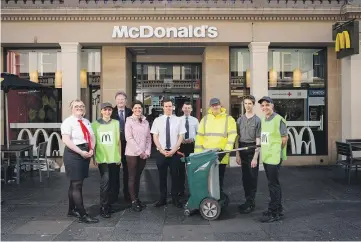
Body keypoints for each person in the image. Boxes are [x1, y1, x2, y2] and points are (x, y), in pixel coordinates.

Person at [61, 99, 98, 224]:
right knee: (77, 185)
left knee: (74, 183)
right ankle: (83, 214)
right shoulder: (68, 122)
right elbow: (66, 140)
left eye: (82, 106)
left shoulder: (86, 121)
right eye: (76, 106)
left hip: (85, 152)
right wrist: (80, 152)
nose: (79, 108)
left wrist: (92, 148)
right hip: (73, 154)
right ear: (71, 108)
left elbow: (92, 137)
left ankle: (71, 210)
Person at [195, 98, 237, 196]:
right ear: (210, 107)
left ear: (220, 105)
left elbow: (232, 135)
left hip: (221, 154)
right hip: (206, 155)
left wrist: (227, 149)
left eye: (217, 105)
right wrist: (198, 154)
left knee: (219, 178)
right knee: (207, 178)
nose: (215, 107)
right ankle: (209, 197)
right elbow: (199, 137)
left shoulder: (228, 119)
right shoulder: (205, 119)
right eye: (213, 105)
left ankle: (217, 198)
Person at [151, 98, 186, 208]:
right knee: (162, 177)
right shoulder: (158, 120)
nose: (168, 108)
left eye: (170, 106)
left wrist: (174, 150)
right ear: (163, 107)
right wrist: (161, 150)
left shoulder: (179, 120)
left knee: (175, 177)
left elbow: (181, 136)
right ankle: (162, 199)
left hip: (174, 153)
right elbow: (155, 136)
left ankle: (175, 199)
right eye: (166, 106)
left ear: (173, 107)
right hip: (161, 153)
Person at [258, 96, 288, 223]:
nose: (265, 107)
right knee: (272, 184)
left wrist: (276, 150)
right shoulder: (264, 119)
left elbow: (284, 138)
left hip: (274, 157)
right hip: (267, 156)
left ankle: (274, 212)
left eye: (267, 105)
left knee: (274, 185)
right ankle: (277, 209)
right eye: (262, 106)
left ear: (272, 106)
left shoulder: (278, 119)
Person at [91, 102, 122, 218]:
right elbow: (93, 143)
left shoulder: (116, 123)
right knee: (105, 181)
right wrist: (94, 157)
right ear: (101, 111)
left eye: (109, 110)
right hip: (102, 157)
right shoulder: (94, 125)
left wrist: (119, 156)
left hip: (114, 157)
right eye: (105, 110)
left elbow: (118, 141)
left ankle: (110, 204)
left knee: (113, 182)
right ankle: (103, 206)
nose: (107, 112)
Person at [235, 95, 261, 214]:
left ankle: (251, 202)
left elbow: (258, 139)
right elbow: (237, 138)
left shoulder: (257, 120)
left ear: (253, 104)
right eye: (245, 103)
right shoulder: (240, 120)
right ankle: (247, 201)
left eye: (250, 103)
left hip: (252, 149)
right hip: (242, 149)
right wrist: (237, 154)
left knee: (252, 177)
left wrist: (255, 157)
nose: (247, 106)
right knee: (245, 177)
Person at [125, 100, 152, 212]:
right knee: (132, 177)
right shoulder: (129, 121)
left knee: (138, 177)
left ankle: (137, 198)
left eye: (139, 108)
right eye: (135, 108)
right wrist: (139, 151)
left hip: (143, 154)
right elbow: (129, 138)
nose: (137, 110)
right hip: (132, 153)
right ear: (132, 109)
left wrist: (147, 151)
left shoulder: (145, 122)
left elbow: (148, 138)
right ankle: (133, 201)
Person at [111, 91, 133, 202]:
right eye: (118, 99)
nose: (120, 101)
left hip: (128, 144)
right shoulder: (111, 112)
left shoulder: (130, 112)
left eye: (122, 99)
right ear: (116, 101)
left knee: (127, 170)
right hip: (115, 145)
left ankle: (127, 194)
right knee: (115, 170)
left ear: (126, 101)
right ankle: (114, 194)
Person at [179, 101, 199, 196]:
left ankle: (193, 190)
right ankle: (181, 190)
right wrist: (181, 140)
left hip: (191, 146)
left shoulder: (195, 120)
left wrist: (192, 139)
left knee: (192, 168)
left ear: (191, 109)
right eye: (185, 108)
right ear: (182, 109)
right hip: (181, 146)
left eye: (188, 108)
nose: (186, 109)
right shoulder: (178, 120)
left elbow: (198, 134)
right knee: (180, 169)